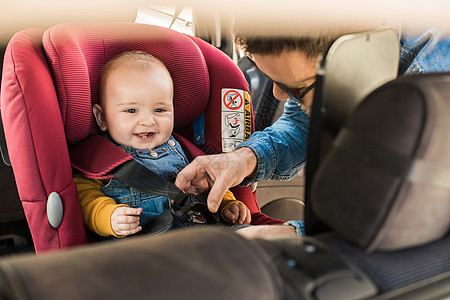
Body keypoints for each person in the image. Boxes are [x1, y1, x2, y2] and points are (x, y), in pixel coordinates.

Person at [175, 26, 450, 238]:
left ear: (356, 57)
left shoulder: (434, 82)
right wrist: (244, 158)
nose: (277, 94)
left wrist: (295, 235)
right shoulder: (325, 61)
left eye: (295, 88)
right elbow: (302, 124)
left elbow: (405, 215)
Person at [73, 51, 251, 238]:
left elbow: (210, 183)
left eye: (160, 109)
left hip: (204, 237)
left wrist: (227, 205)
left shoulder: (184, 150)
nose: (148, 121)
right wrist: (108, 216)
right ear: (102, 118)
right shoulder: (100, 159)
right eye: (131, 110)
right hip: (148, 247)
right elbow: (84, 197)